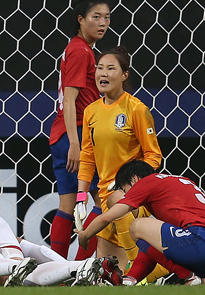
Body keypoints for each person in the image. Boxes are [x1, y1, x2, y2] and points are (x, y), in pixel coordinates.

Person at [77, 46, 163, 269]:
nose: (103, 73)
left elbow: (154, 157)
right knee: (111, 275)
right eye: (100, 68)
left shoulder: (136, 109)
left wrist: (126, 185)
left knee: (136, 270)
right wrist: (80, 195)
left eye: (111, 69)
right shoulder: (91, 111)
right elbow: (87, 157)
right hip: (105, 199)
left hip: (129, 199)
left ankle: (183, 275)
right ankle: (181, 277)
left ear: (124, 75)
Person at [76, 160, 205, 285]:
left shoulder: (147, 183)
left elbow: (107, 217)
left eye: (124, 189)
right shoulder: (179, 182)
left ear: (134, 179)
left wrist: (85, 235)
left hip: (199, 241)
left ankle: (187, 276)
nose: (127, 194)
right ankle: (131, 280)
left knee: (137, 226)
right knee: (149, 237)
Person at [49, 0, 110, 259]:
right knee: (103, 203)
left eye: (107, 18)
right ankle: (82, 268)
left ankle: (57, 269)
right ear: (80, 20)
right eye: (95, 17)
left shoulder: (76, 48)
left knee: (67, 204)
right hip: (78, 136)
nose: (102, 23)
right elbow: (71, 99)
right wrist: (76, 143)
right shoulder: (80, 51)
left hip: (62, 134)